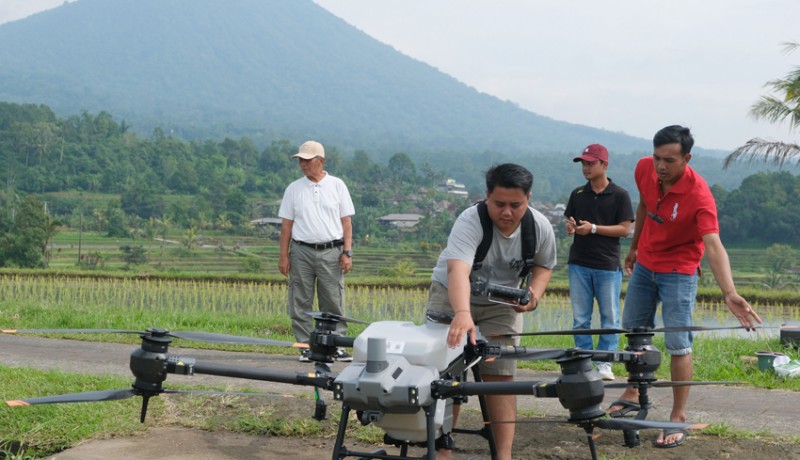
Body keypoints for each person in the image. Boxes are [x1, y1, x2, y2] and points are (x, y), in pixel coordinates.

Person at [607, 125, 762, 448]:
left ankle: (677, 416)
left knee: (678, 343)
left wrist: (729, 292)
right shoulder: (643, 169)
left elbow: (714, 245)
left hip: (679, 270)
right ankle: (634, 389)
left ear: (687, 158)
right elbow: (644, 206)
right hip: (646, 263)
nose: (661, 166)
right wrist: (635, 247)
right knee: (634, 331)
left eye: (670, 160)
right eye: (657, 157)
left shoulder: (699, 195)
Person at [425, 163, 557, 460]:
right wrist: (462, 312)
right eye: (499, 204)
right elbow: (457, 271)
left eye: (516, 205)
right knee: (447, 372)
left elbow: (544, 266)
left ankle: (504, 455)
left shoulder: (539, 227)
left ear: (528, 198)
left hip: (502, 304)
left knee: (500, 378)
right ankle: (442, 448)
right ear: (487, 197)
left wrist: (533, 296)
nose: (507, 212)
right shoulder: (470, 221)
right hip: (453, 295)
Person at [278, 140, 356, 362]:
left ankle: (336, 343)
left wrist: (347, 252)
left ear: (320, 161)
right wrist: (283, 256)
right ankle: (305, 346)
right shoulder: (294, 189)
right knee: (300, 299)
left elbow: (346, 222)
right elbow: (286, 226)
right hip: (301, 251)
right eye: (300, 161)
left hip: (332, 250)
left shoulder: (337, 185)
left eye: (307, 160)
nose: (302, 165)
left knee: (332, 299)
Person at [564, 144, 633, 381]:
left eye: (590, 163)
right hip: (579, 263)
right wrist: (571, 227)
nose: (585, 167)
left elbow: (625, 229)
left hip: (606, 265)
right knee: (581, 317)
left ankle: (604, 363)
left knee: (609, 316)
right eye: (583, 163)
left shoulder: (620, 195)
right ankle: (583, 361)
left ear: (604, 164)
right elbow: (569, 220)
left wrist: (593, 228)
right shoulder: (577, 194)